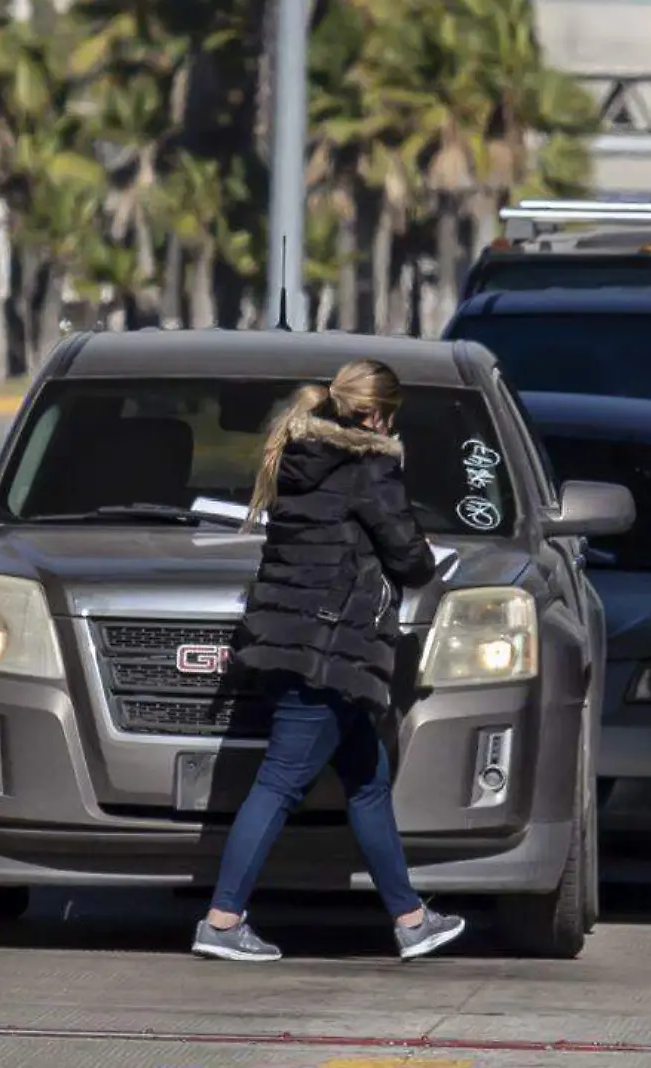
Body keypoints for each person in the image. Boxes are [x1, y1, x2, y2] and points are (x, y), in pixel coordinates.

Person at [191, 359, 465, 963]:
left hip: (292, 638)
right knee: (281, 783)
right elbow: (410, 558)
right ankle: (222, 919)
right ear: (378, 414)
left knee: (367, 782)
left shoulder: (300, 460)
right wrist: (425, 558)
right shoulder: (369, 468)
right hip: (328, 650)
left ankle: (412, 919)